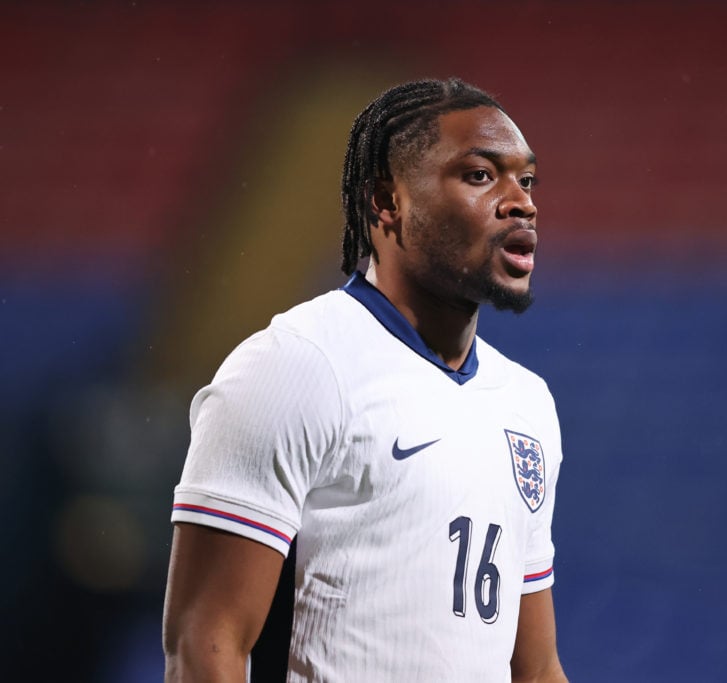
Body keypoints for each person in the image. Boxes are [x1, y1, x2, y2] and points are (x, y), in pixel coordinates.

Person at [162, 78, 568, 682]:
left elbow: (534, 669)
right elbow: (205, 644)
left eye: (526, 180)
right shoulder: (295, 366)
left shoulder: (526, 403)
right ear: (388, 203)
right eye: (481, 176)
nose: (521, 203)